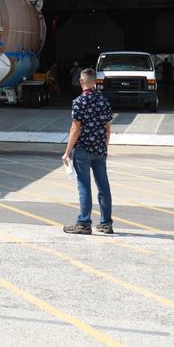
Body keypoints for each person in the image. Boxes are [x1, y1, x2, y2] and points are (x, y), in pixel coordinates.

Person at [63, 68, 114, 235]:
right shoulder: (104, 101)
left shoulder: (79, 102)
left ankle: (84, 222)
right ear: (96, 81)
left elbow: (75, 129)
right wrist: (104, 147)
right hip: (100, 150)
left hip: (83, 149)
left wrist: (67, 151)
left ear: (82, 82)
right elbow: (108, 128)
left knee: (84, 186)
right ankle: (106, 223)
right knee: (103, 186)